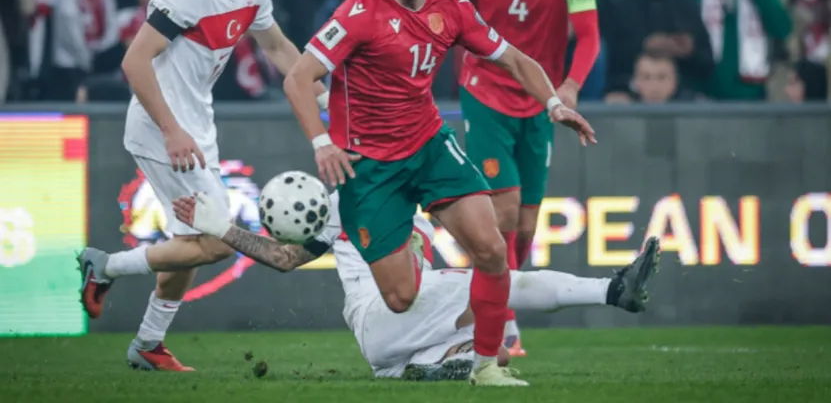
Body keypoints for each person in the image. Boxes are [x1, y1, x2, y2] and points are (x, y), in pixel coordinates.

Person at [282, 0, 596, 387]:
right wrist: (322, 143)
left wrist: (553, 104)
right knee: (400, 298)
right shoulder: (359, 13)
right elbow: (298, 78)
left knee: (491, 248)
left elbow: (514, 59)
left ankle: (485, 365)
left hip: (429, 146)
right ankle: (412, 254)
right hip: (371, 167)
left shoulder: (452, 6)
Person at [76, 0, 329, 372]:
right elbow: (134, 62)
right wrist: (171, 130)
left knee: (191, 244)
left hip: (197, 126)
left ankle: (148, 344)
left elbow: (278, 48)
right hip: (162, 128)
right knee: (214, 240)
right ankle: (105, 265)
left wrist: (327, 99)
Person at [169, 191, 661, 381]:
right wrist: (222, 228)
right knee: (496, 280)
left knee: (496, 354)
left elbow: (283, 261)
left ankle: (422, 368)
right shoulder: (346, 200)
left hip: (387, 339)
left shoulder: (422, 203)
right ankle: (612, 291)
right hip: (380, 311)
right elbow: (283, 257)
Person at [441, 0, 601, 356]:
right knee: (504, 211)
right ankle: (504, 321)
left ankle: (488, 298)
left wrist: (570, 85)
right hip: (485, 91)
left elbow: (589, 34)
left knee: (526, 225)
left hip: (542, 99)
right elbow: (441, 14)